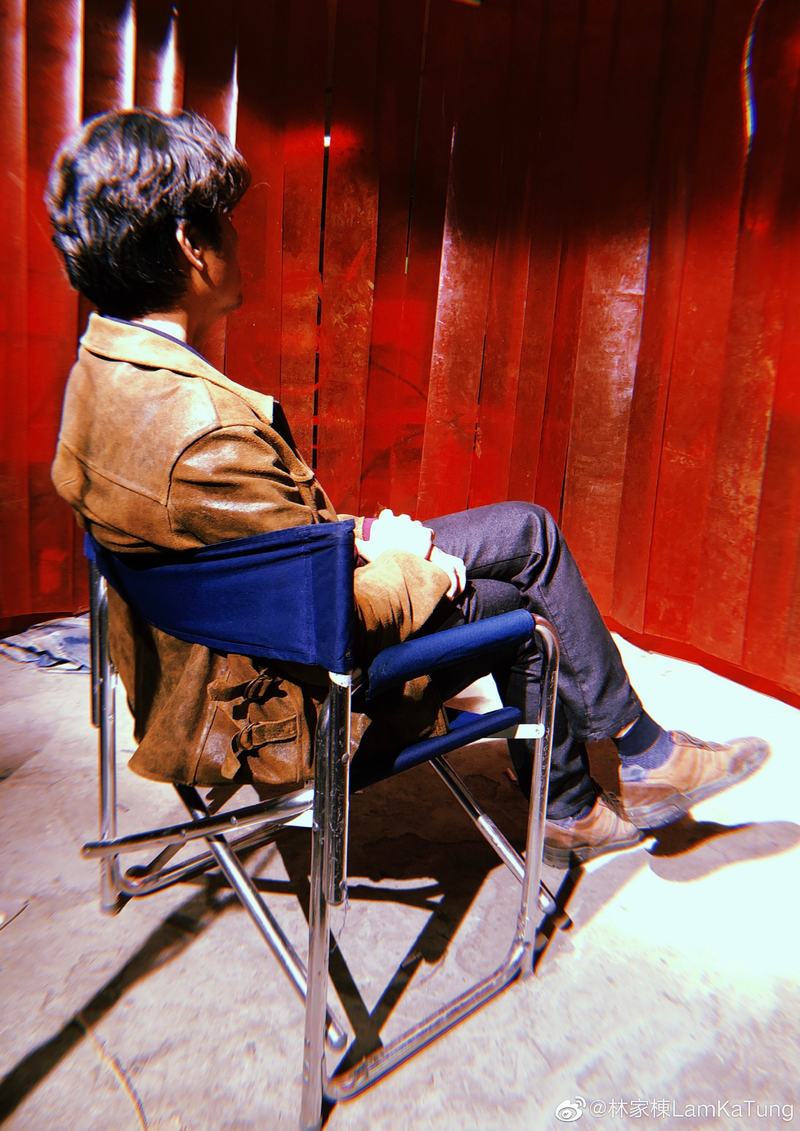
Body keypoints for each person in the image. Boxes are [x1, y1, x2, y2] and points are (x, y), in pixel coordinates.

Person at [45, 109, 768, 867]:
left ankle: (622, 767)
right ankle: (586, 795)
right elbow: (330, 622)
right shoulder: (203, 431)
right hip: (271, 702)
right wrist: (409, 563)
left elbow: (241, 542)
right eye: (226, 221)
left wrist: (362, 537)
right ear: (192, 246)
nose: (238, 236)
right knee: (522, 610)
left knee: (528, 533)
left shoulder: (100, 374)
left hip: (208, 646)